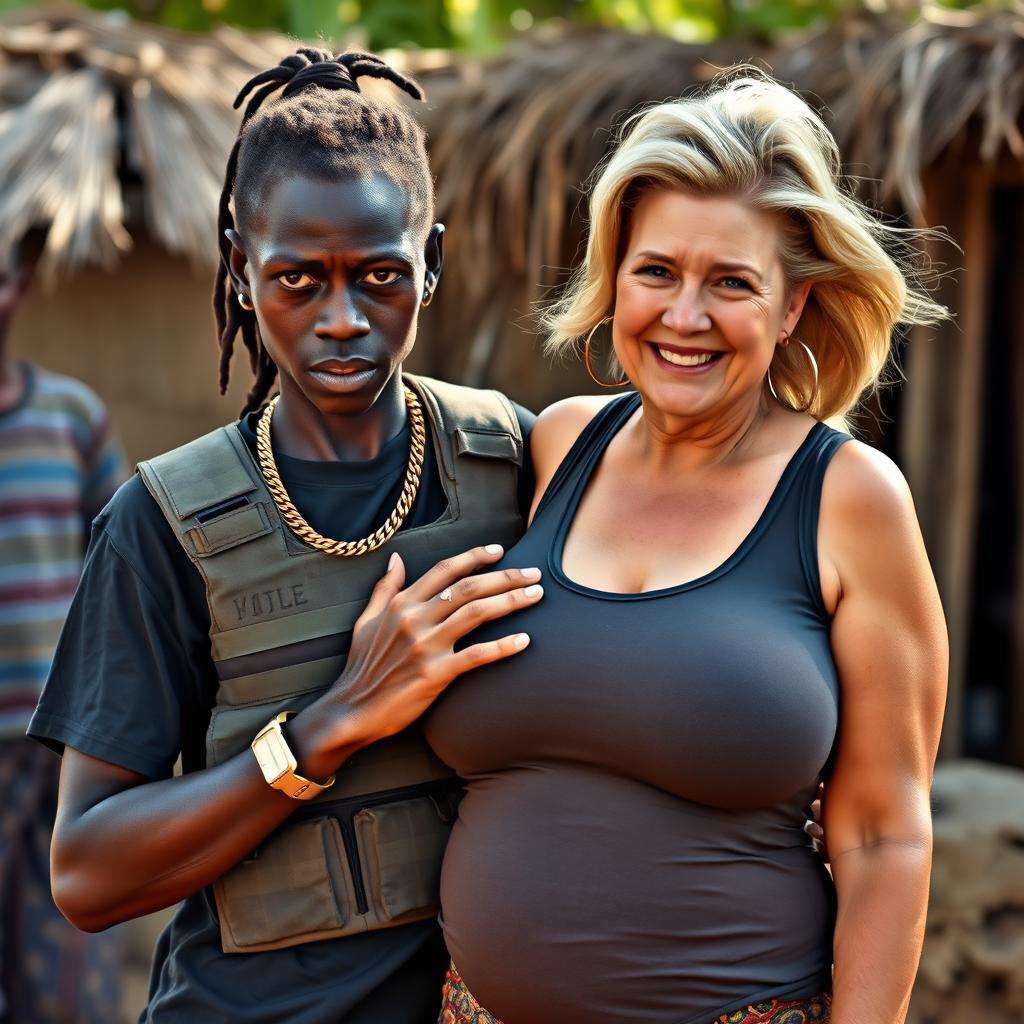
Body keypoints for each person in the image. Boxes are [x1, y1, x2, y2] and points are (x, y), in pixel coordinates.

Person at [28, 50, 544, 1023]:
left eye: (380, 276)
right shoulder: (164, 525)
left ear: (431, 262)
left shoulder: (518, 464)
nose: (341, 319)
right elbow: (87, 874)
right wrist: (330, 723)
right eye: (298, 278)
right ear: (239, 267)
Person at [422, 72, 949, 1024]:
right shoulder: (554, 449)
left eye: (733, 283)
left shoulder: (847, 497)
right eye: (656, 271)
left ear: (793, 308)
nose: (685, 316)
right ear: (614, 280)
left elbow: (884, 835)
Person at [0, 233, 127, 1022]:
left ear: (25, 284)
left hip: (58, 740)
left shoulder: (71, 417)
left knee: (68, 959)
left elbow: (117, 570)